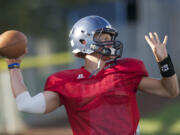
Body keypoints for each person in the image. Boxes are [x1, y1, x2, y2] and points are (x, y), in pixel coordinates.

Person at [6, 15, 179, 135]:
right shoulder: (66, 82)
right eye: (103, 38)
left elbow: (170, 91)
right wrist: (13, 64)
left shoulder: (125, 70)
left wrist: (164, 61)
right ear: (83, 41)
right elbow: (26, 104)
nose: (110, 42)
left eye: (110, 37)